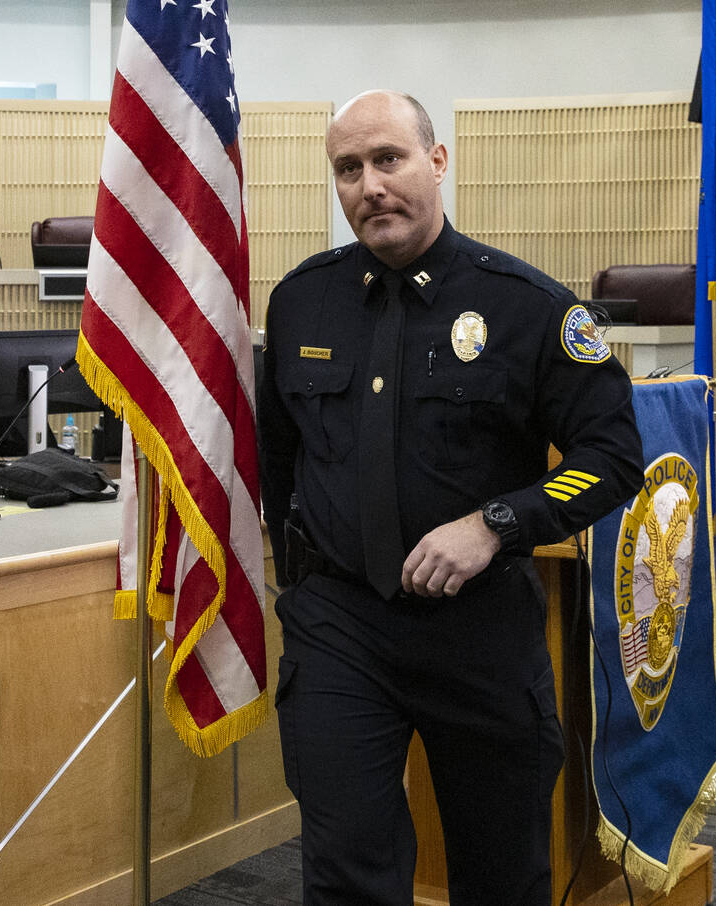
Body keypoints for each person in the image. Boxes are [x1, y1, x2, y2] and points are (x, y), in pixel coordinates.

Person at [257, 89, 644, 905]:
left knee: (500, 870)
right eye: (349, 168)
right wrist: (299, 571)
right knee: (344, 864)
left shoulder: (530, 309)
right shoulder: (301, 302)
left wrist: (496, 524)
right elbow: (278, 452)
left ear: (437, 162)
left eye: (389, 159)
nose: (370, 185)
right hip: (339, 625)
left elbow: (612, 456)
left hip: (476, 631)